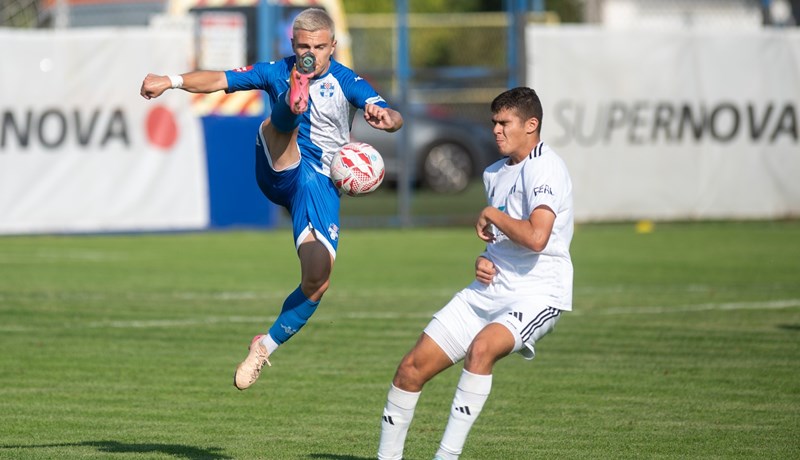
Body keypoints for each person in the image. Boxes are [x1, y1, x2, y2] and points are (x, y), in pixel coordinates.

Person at [139, 8, 403, 391]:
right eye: (302, 47)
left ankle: (263, 346)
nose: (309, 53)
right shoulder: (276, 69)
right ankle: (292, 107)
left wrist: (386, 116)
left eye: (317, 46)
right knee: (280, 125)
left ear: (333, 46)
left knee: (317, 278)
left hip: (320, 186)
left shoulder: (347, 81)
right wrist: (171, 80)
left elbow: (391, 115)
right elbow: (218, 79)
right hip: (279, 163)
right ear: (292, 45)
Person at [377, 87, 573, 460]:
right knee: (410, 369)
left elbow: (536, 237)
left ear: (531, 125)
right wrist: (485, 258)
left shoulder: (546, 167)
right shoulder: (493, 173)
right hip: (489, 290)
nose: (496, 130)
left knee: (481, 349)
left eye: (504, 123)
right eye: (493, 123)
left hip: (539, 293)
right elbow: (503, 240)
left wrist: (491, 215)